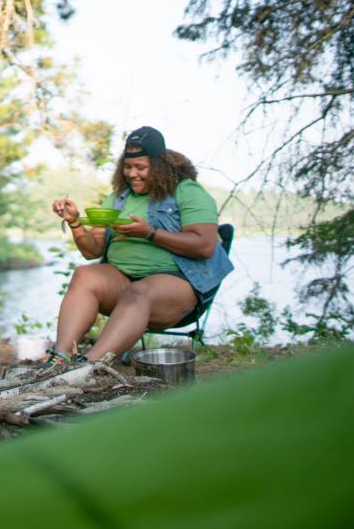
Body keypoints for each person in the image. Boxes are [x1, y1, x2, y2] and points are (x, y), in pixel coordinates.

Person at [48, 126, 233, 363]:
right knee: (85, 275)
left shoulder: (187, 192)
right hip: (123, 283)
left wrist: (150, 234)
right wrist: (74, 222)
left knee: (138, 291)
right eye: (127, 167)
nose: (132, 174)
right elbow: (91, 250)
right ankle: (60, 358)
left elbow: (204, 245)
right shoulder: (117, 199)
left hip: (177, 285)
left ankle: (90, 365)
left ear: (159, 166)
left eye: (140, 167)